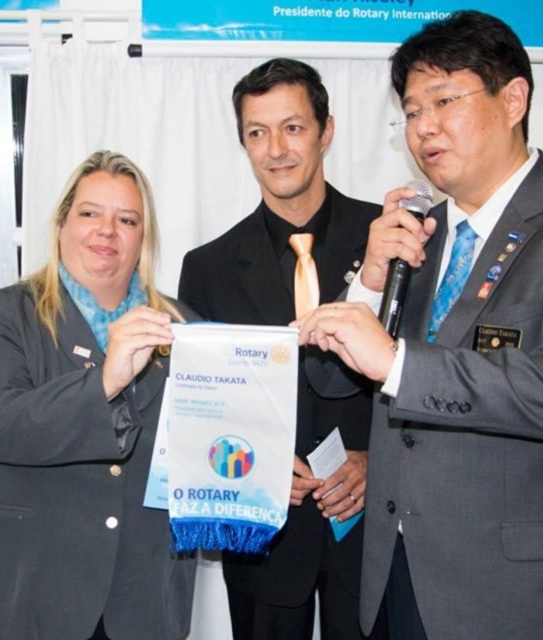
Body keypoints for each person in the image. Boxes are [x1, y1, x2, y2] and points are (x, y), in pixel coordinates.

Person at [296, 10, 543, 640]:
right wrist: (370, 282)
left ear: (514, 99)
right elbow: (329, 381)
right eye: (412, 111)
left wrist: (399, 363)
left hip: (540, 596)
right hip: (404, 578)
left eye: (444, 101)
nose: (424, 126)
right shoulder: (417, 237)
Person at [0, 150, 197, 640]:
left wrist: (253, 465)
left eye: (127, 220)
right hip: (27, 592)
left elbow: (203, 439)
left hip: (139, 597)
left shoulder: (183, 326)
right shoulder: (2, 317)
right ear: (61, 225)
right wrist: (105, 380)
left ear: (144, 238)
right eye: (90, 213)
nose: (107, 231)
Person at [178, 58, 387, 640]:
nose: (276, 150)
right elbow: (202, 412)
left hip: (370, 527)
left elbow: (423, 372)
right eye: (257, 132)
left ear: (327, 130)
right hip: (264, 534)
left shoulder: (388, 240)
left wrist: (381, 463)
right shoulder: (207, 268)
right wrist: (253, 470)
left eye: (293, 127)